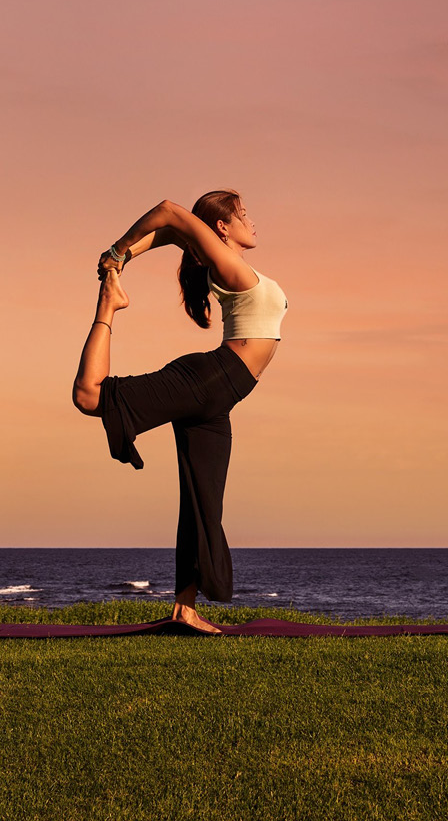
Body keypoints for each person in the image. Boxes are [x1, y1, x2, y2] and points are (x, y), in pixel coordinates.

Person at [71, 190, 288, 634]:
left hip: (218, 396)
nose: (252, 221)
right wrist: (116, 252)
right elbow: (170, 213)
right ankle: (107, 309)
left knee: (201, 501)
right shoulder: (232, 269)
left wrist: (125, 257)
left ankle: (185, 609)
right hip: (210, 379)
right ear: (222, 228)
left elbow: (171, 234)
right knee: (89, 396)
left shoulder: (228, 266)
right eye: (242, 215)